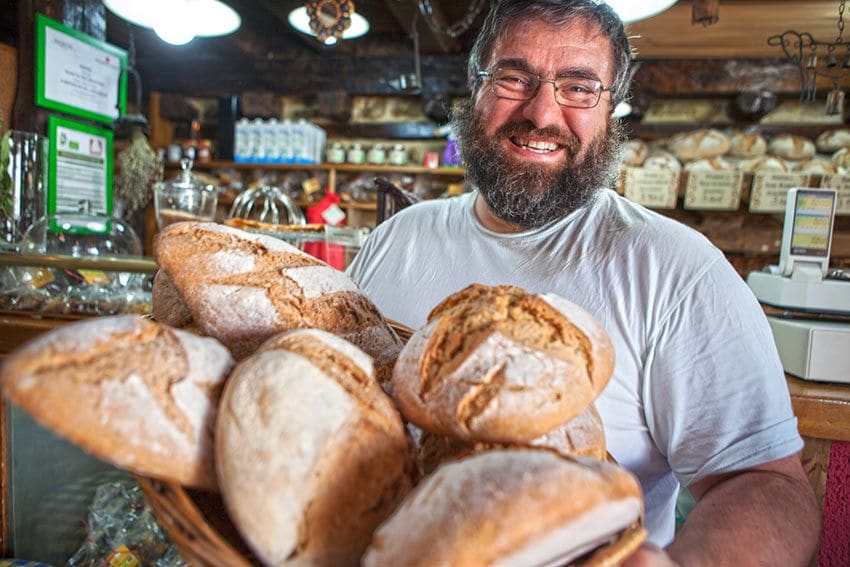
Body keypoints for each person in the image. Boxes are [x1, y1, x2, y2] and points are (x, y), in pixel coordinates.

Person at [347, 0, 820, 564]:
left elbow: (768, 485)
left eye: (579, 87)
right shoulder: (395, 239)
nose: (543, 112)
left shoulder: (676, 269)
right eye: (514, 77)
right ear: (475, 90)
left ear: (611, 112)